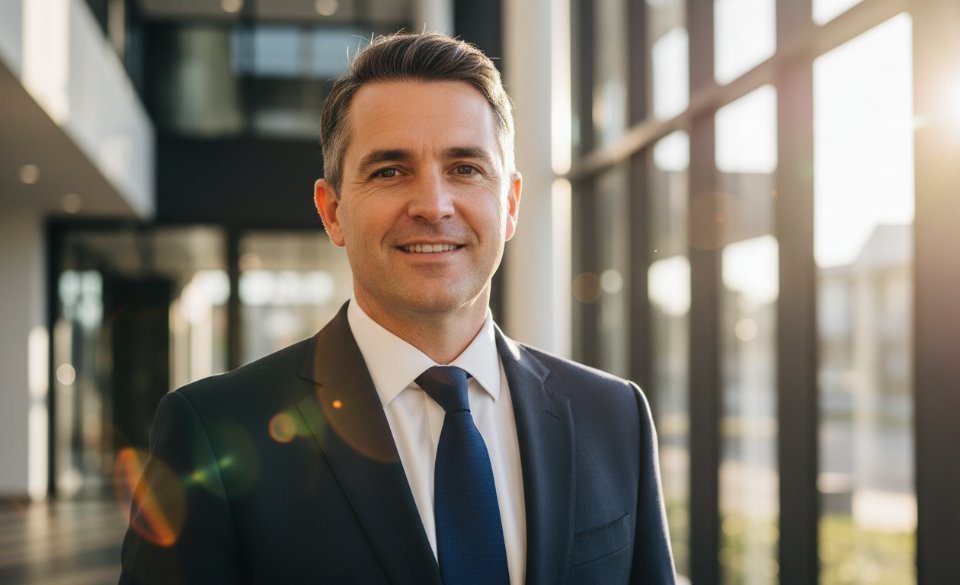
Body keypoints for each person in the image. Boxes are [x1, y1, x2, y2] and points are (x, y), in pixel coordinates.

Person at [119, 32, 674, 585]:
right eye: (390, 170)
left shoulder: (614, 416)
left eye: (465, 168)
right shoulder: (212, 430)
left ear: (508, 205)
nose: (433, 206)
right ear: (332, 211)